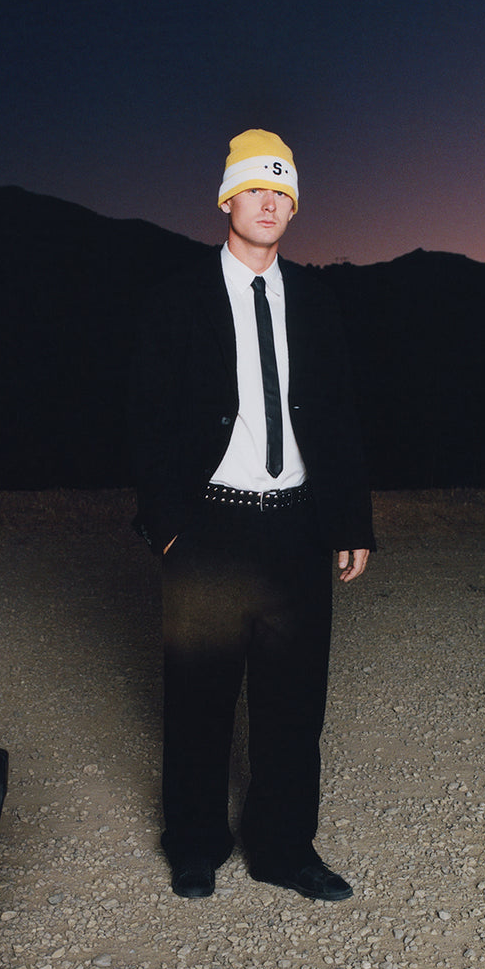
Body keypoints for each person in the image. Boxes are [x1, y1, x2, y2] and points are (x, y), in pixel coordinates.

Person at [129, 129, 374, 901]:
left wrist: (351, 522)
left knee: (294, 705)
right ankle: (195, 842)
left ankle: (284, 849)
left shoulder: (316, 300)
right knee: (198, 698)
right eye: (254, 190)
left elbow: (339, 414)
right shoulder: (178, 299)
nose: (268, 204)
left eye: (281, 192)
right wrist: (166, 524)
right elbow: (144, 417)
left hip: (297, 527)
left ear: (293, 207)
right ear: (227, 200)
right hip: (210, 526)